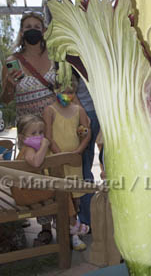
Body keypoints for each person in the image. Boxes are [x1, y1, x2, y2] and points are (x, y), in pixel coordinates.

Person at [15, 114, 88, 250]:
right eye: (34, 133)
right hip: (25, 194)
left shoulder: (28, 149)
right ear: (22, 137)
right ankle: (72, 225)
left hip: (27, 191)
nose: (39, 136)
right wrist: (45, 145)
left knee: (61, 189)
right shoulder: (28, 150)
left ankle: (70, 224)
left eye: (41, 133)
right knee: (62, 191)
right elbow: (36, 162)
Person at [43, 76, 92, 240]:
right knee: (60, 197)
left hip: (74, 161)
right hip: (57, 162)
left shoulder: (79, 110)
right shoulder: (49, 110)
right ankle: (64, 232)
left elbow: (86, 132)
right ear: (55, 90)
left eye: (70, 92)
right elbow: (48, 136)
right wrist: (60, 155)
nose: (66, 95)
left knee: (75, 198)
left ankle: (72, 233)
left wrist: (77, 152)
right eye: (62, 91)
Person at [0, 11, 56, 120]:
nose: (32, 30)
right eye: (28, 27)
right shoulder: (12, 61)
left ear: (43, 31)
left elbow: (68, 88)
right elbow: (6, 100)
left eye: (37, 27)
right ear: (21, 32)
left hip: (58, 124)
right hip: (29, 131)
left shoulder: (54, 56)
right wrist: (10, 86)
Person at [75, 74, 100, 227]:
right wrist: (82, 113)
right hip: (84, 114)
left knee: (84, 165)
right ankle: (87, 218)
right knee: (82, 165)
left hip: (93, 113)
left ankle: (89, 218)